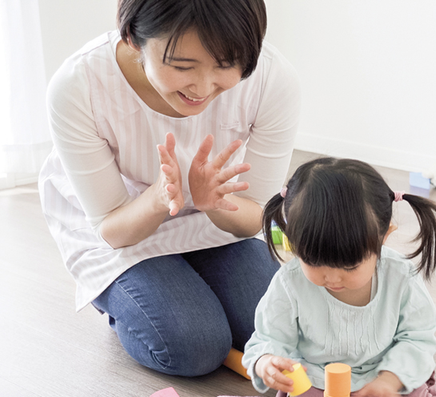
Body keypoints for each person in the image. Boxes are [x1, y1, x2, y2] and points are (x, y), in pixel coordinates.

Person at [166, 158, 436, 397]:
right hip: (318, 385)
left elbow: (418, 338)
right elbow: (268, 338)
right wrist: (266, 363)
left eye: (349, 267)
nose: (331, 278)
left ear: (383, 238)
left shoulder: (400, 278)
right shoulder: (290, 283)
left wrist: (391, 379)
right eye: (314, 263)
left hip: (387, 381)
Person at [38, 0, 299, 376]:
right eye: (182, 66)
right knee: (195, 346)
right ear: (132, 38)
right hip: (123, 226)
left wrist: (212, 204)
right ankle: (120, 300)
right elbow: (112, 228)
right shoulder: (78, 85)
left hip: (218, 219)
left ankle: (176, 286)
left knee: (276, 328)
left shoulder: (273, 80)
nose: (203, 87)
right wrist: (159, 199)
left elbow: (257, 213)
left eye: (225, 65)